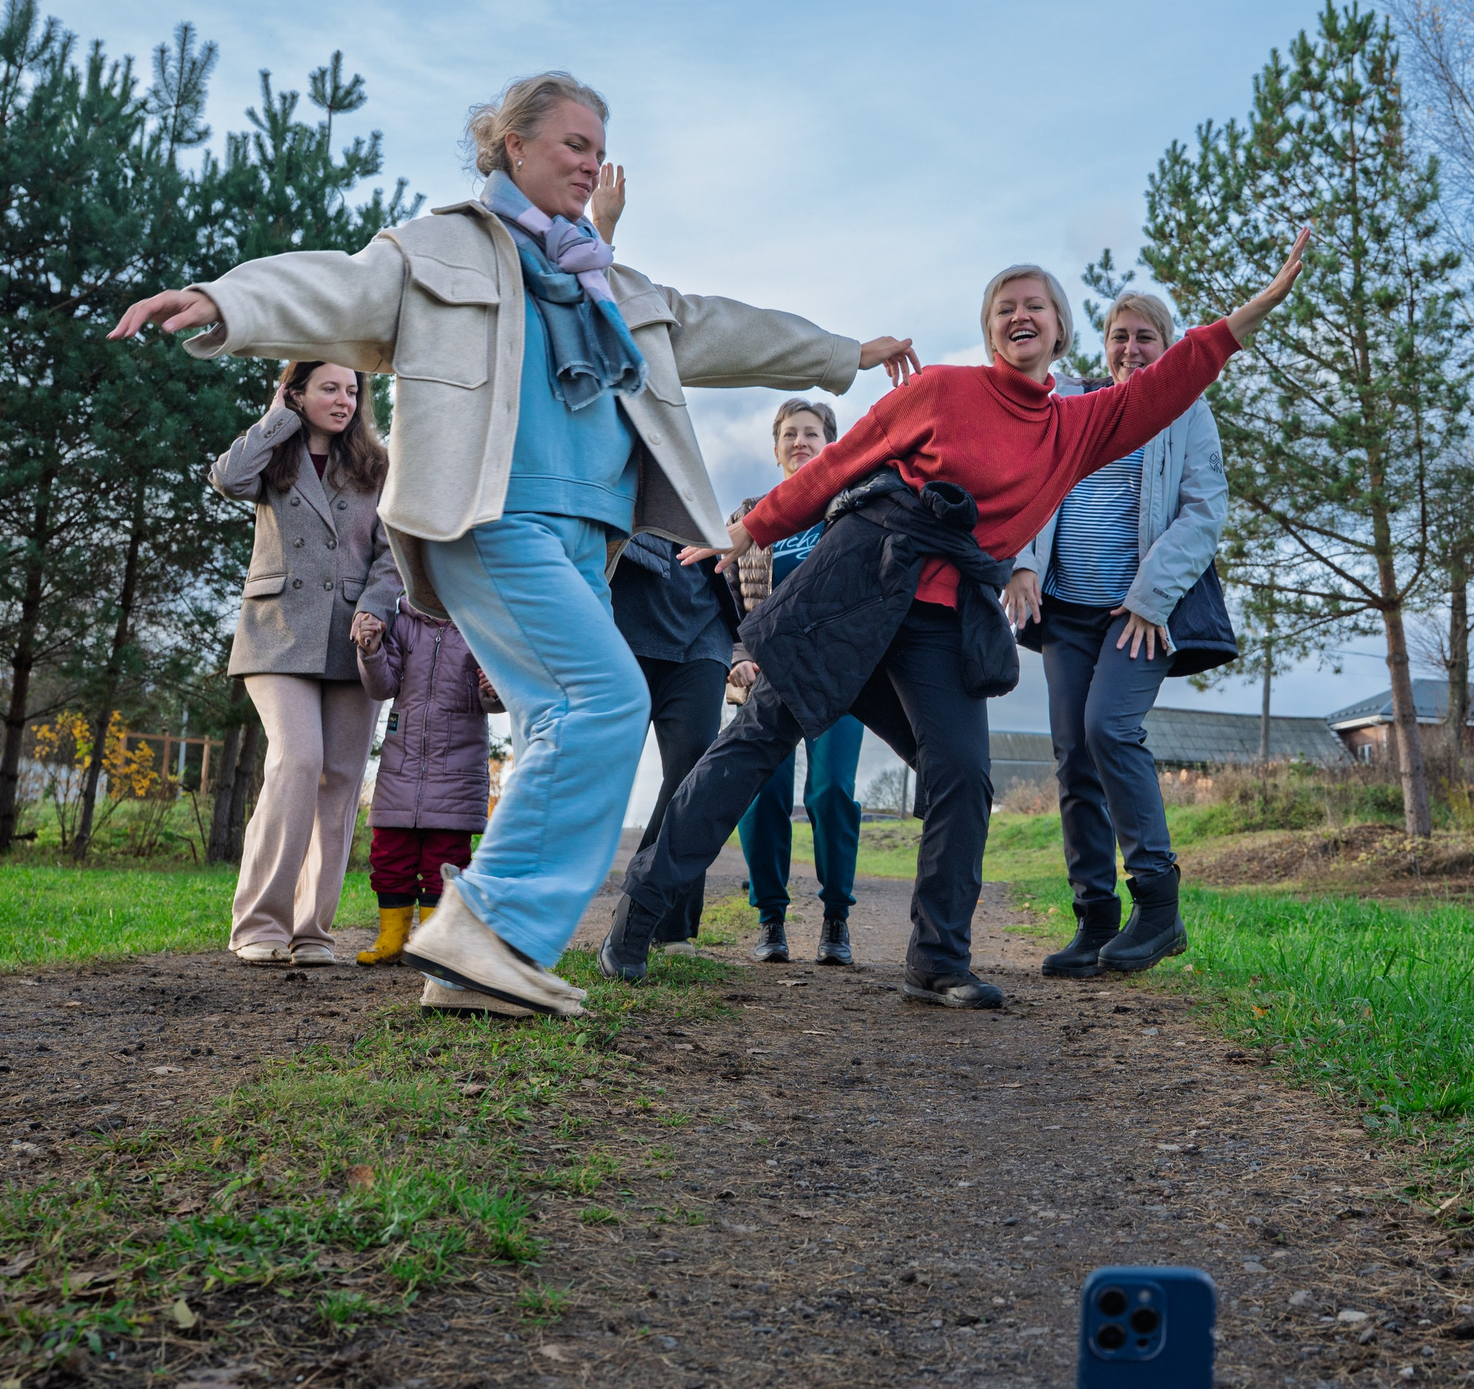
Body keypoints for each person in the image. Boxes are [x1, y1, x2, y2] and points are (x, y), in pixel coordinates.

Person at [112, 71, 919, 1020]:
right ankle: (485, 934)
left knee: (553, 729)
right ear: (514, 146)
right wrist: (224, 300)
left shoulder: (609, 282)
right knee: (604, 699)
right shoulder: (442, 249)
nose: (591, 163)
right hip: (491, 518)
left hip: (586, 542)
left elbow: (718, 326)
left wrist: (842, 353)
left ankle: (478, 965)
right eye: (574, 143)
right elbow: (339, 285)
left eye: (599, 147)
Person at [602, 230, 1311, 1009]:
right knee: (757, 738)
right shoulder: (941, 389)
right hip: (856, 585)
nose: (1020, 316)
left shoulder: (1077, 426)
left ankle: (938, 959)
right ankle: (639, 911)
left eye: (1035, 305)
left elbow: (1170, 382)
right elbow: (841, 461)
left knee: (964, 776)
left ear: (1060, 330)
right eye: (1004, 307)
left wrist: (1251, 313)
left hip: (941, 621)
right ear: (989, 330)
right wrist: (748, 529)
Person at [1008, 292, 1228, 977]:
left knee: (1108, 728)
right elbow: (1031, 484)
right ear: (1102, 344)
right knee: (1074, 754)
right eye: (1119, 336)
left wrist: (1149, 599)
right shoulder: (1071, 403)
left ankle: (1159, 906)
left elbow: (1204, 513)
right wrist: (1022, 563)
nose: (1131, 349)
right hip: (1065, 609)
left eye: (1145, 337)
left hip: (1136, 613)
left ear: (1167, 345)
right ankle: (1096, 918)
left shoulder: (1186, 410)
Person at [209, 360, 401, 967]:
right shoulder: (273, 456)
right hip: (277, 633)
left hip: (353, 635)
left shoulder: (377, 466)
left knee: (340, 779)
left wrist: (375, 611)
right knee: (298, 760)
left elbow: (392, 554)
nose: (344, 400)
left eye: (353, 390)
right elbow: (227, 479)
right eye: (329, 388)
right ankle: (259, 923)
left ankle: (312, 931)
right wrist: (276, 418)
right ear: (296, 392)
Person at [727, 398, 866, 967]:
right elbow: (724, 603)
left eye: (812, 433)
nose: (800, 442)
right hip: (765, 679)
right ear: (776, 447)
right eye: (790, 434)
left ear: (831, 445)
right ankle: (771, 919)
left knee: (831, 792)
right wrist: (738, 656)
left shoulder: (852, 509)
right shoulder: (750, 516)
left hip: (838, 677)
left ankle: (836, 918)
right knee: (762, 795)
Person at [351, 594, 503, 966]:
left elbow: (496, 698)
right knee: (390, 854)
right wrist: (371, 651)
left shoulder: (484, 622)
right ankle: (392, 937)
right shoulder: (403, 621)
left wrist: (496, 689)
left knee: (446, 859)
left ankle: (437, 943)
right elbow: (382, 687)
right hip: (401, 764)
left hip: (458, 768)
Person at [611, 527, 742, 950]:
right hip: (623, 625)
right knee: (602, 774)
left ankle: (662, 915)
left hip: (703, 631)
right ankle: (544, 907)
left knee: (694, 777)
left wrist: (742, 648)